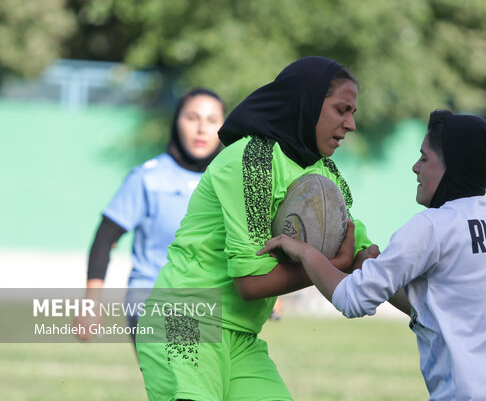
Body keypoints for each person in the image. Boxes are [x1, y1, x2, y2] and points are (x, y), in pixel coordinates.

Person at [136, 56, 378, 401]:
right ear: (307, 103)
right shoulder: (251, 161)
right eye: (342, 109)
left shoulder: (325, 172)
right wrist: (331, 266)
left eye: (353, 112)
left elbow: (360, 252)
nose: (351, 124)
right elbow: (250, 284)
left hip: (241, 337)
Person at [259, 110, 486, 400]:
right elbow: (440, 310)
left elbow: (351, 299)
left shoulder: (433, 225)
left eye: (425, 158)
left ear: (452, 167)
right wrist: (375, 272)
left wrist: (305, 251)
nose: (415, 168)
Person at [74, 88, 226, 344]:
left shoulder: (229, 180)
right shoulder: (148, 178)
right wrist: (91, 303)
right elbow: (104, 238)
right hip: (152, 299)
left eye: (211, 121)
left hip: (213, 303)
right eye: (192, 118)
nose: (201, 129)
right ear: (176, 121)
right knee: (189, 373)